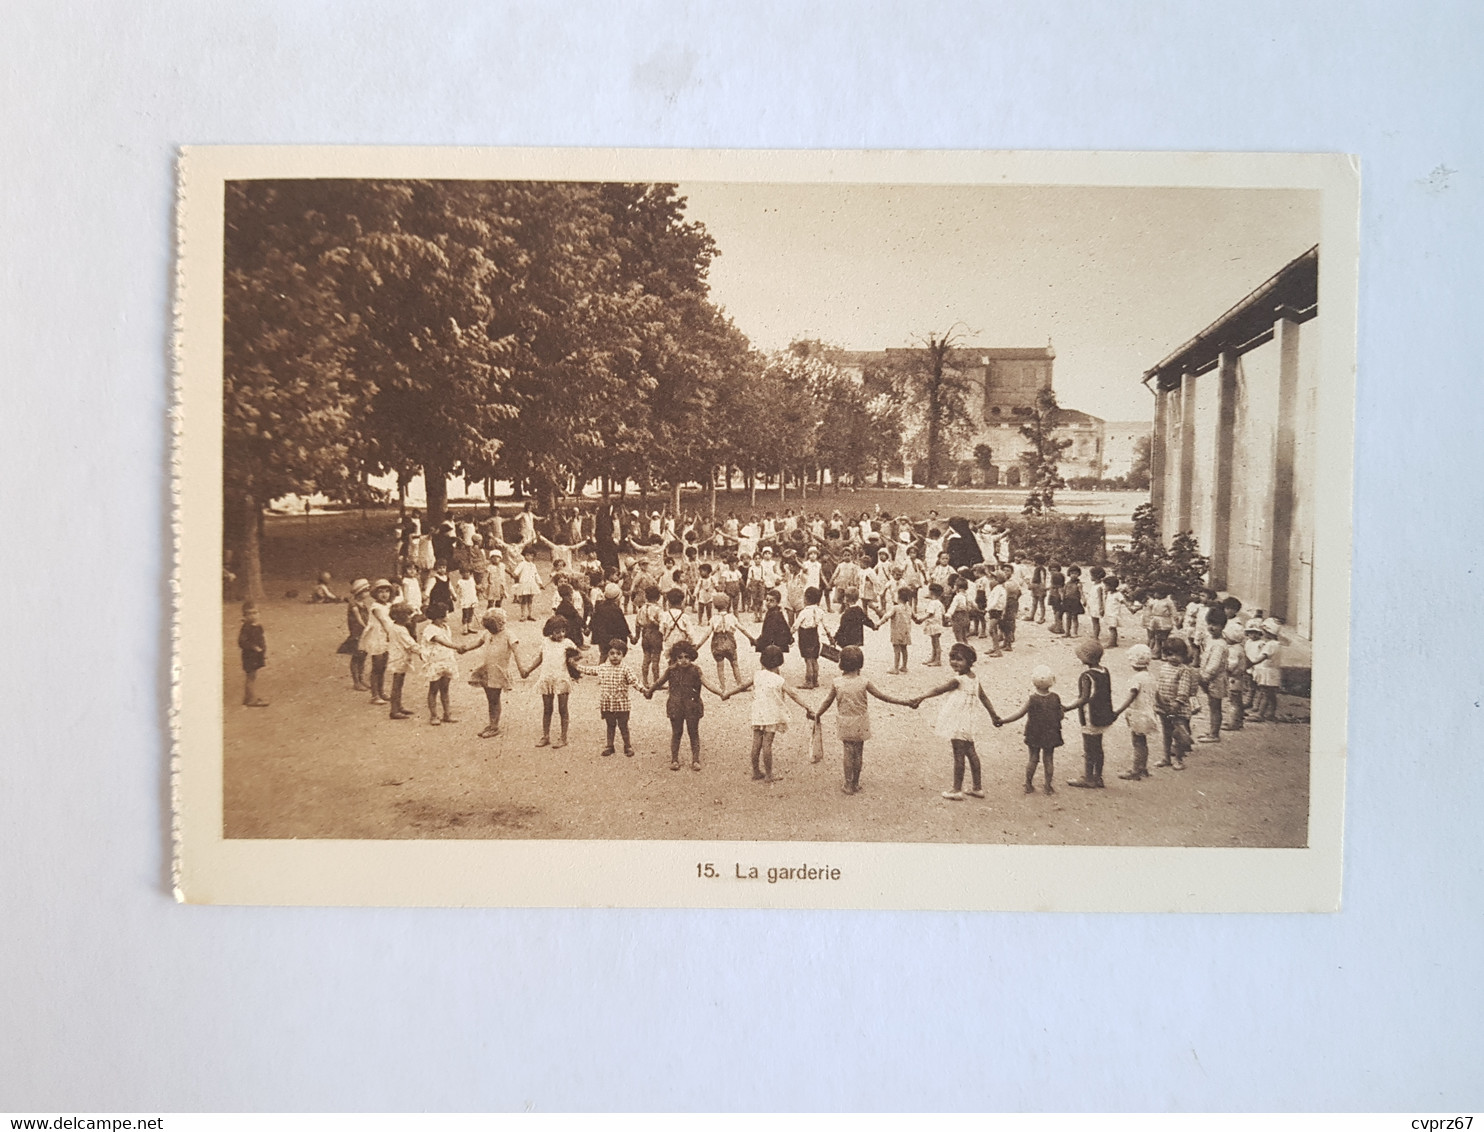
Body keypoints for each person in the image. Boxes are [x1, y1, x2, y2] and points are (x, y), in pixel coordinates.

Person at [808, 644, 916, 795]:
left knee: (848, 752)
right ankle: (856, 783)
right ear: (860, 663)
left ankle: (848, 784)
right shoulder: (864, 682)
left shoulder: (837, 682)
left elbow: (827, 702)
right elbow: (883, 697)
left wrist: (817, 714)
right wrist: (906, 702)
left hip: (845, 721)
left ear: (841, 663)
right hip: (861, 721)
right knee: (858, 753)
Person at [910, 642, 999, 801]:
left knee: (959, 753)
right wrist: (993, 715)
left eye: (959, 659)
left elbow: (939, 690)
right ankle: (977, 787)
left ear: (969, 661)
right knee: (971, 752)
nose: (954, 662)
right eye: (952, 658)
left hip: (958, 720)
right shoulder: (974, 678)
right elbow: (983, 697)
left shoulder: (958, 680)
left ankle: (956, 789)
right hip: (969, 720)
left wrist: (921, 697)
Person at [726, 645, 813, 783]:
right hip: (771, 714)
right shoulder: (779, 680)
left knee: (756, 743)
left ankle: (755, 771)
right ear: (779, 662)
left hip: (757, 713)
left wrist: (728, 694)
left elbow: (743, 686)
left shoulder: (757, 675)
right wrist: (807, 707)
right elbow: (793, 694)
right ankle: (769, 774)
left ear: (762, 661)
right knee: (767, 744)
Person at [644, 638, 724, 772]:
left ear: (691, 657)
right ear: (675, 657)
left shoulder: (696, 670)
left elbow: (707, 683)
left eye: (687, 657)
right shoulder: (671, 670)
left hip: (692, 705)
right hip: (676, 705)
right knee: (676, 733)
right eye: (680, 657)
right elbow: (659, 682)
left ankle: (695, 760)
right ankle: (674, 759)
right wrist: (649, 690)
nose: (683, 660)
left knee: (693, 732)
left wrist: (720, 692)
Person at [995, 664, 1066, 795]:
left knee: (1033, 758)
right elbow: (1061, 715)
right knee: (1048, 759)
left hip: (1034, 733)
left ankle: (1028, 784)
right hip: (1051, 733)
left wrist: (1003, 720)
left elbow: (1019, 714)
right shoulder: (1055, 697)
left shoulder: (1032, 699)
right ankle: (1048, 786)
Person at [522, 615, 582, 748]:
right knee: (547, 709)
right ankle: (546, 736)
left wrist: (573, 660)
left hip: (561, 679)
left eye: (563, 631)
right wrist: (529, 670)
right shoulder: (545, 642)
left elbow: (579, 654)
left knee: (563, 709)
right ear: (550, 631)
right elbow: (540, 658)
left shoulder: (568, 643)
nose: (560, 634)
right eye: (556, 631)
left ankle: (563, 737)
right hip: (547, 679)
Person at [577, 637, 643, 757]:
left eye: (618, 653)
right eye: (612, 653)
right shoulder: (603, 667)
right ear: (607, 654)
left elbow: (634, 681)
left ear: (623, 655)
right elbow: (589, 670)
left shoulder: (626, 669)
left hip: (622, 704)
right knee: (610, 725)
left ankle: (627, 746)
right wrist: (575, 666)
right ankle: (610, 746)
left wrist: (644, 690)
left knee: (623, 725)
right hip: (607, 703)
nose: (615, 656)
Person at [1065, 638, 1117, 788]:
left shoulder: (1086, 676)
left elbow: (1084, 698)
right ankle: (1098, 777)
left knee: (1089, 748)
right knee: (1099, 748)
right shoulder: (1104, 671)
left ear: (1087, 657)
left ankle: (1088, 778)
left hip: (1091, 716)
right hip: (1103, 714)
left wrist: (1067, 708)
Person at [418, 600, 480, 726]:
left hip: (446, 660)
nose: (448, 616)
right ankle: (434, 715)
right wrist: (458, 647)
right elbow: (442, 641)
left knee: (445, 689)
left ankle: (447, 714)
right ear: (439, 616)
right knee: (433, 689)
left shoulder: (445, 627)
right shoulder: (430, 629)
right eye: (446, 614)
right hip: (435, 663)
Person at [468, 607, 519, 738]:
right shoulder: (488, 634)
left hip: (498, 672)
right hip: (487, 670)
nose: (490, 631)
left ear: (500, 624)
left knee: (494, 699)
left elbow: (516, 651)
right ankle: (492, 723)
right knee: (490, 699)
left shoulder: (508, 634)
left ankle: (495, 726)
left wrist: (522, 668)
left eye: (492, 627)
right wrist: (465, 649)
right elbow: (477, 643)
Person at [1154, 636, 1198, 769]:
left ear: (1183, 656)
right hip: (1164, 706)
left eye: (1177, 655)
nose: (1173, 658)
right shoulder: (1163, 668)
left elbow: (1184, 689)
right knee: (1166, 733)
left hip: (1178, 707)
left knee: (1178, 734)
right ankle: (1166, 757)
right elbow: (1160, 685)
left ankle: (1179, 759)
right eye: (1170, 654)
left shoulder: (1184, 670)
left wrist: (1177, 703)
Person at [1115, 644, 1158, 780]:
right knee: (1143, 742)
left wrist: (1119, 710)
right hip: (1149, 712)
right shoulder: (1151, 676)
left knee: (1137, 742)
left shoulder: (1136, 679)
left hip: (1139, 714)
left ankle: (1135, 770)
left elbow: (1132, 695)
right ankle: (1143, 767)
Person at [358, 578, 397, 705]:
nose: (384, 594)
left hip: (386, 637)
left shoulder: (389, 605)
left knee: (383, 666)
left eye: (387, 591)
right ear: (375, 594)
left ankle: (381, 691)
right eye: (381, 592)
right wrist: (392, 633)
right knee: (377, 666)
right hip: (377, 638)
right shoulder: (376, 607)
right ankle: (374, 695)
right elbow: (383, 620)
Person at [1197, 609, 1230, 742]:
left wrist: (1205, 677)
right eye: (1209, 623)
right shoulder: (1210, 640)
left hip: (1215, 679)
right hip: (1209, 677)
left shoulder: (1219, 645)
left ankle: (1214, 734)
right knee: (1212, 705)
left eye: (1215, 625)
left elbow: (1214, 665)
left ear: (1222, 626)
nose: (1211, 627)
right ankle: (1212, 731)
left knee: (1215, 706)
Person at [384, 602, 421, 720]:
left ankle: (398, 706)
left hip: (400, 658)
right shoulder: (400, 630)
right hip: (399, 659)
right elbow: (410, 644)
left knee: (399, 683)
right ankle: (394, 710)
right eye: (407, 615)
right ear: (400, 616)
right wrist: (422, 652)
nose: (410, 617)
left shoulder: (397, 627)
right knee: (397, 684)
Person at [708, 593, 748, 692]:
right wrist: (752, 639)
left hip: (717, 643)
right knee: (734, 663)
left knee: (720, 666)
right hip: (730, 642)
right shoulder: (732, 617)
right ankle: (739, 683)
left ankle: (722, 687)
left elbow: (707, 634)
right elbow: (742, 629)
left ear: (715, 605)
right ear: (727, 604)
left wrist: (698, 645)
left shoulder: (714, 619)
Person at [339, 578, 371, 691]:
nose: (368, 592)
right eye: (366, 590)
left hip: (364, 632)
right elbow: (358, 619)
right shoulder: (354, 604)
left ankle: (361, 678)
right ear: (359, 592)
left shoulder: (363, 604)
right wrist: (367, 627)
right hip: (358, 632)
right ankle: (356, 681)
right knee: (356, 657)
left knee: (363, 656)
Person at [1251, 617, 1284, 722]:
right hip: (1273, 672)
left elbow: (1263, 657)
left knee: (1265, 693)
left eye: (1264, 631)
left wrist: (1252, 662)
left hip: (1267, 672)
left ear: (1268, 633)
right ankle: (1271, 713)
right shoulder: (1275, 644)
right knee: (1271, 694)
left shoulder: (1270, 645)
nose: (1262, 633)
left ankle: (1260, 714)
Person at [794, 586, 826, 689]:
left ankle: (809, 681)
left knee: (808, 659)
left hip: (805, 636)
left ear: (806, 599)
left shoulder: (804, 612)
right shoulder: (820, 611)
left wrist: (789, 634)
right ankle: (815, 680)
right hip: (814, 635)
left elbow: (795, 625)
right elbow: (825, 625)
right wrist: (830, 636)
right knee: (814, 659)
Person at [238, 601, 268, 707]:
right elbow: (242, 642)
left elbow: (262, 639)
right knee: (250, 676)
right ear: (245, 616)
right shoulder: (246, 627)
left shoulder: (258, 626)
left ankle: (249, 697)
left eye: (255, 613)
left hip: (257, 655)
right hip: (250, 655)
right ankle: (250, 699)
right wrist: (254, 647)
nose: (253, 616)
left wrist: (263, 651)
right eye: (249, 614)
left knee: (253, 676)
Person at [754, 588, 793, 657]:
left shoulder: (775, 614)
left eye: (771, 601)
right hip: (772, 643)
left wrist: (761, 641)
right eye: (767, 600)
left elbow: (771, 631)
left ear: (777, 602)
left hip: (773, 644)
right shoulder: (771, 612)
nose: (768, 603)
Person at [916, 582, 946, 666]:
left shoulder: (933, 603)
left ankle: (938, 660)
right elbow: (943, 614)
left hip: (933, 625)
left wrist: (921, 619)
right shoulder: (940, 603)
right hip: (937, 624)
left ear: (932, 593)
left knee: (936, 643)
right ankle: (933, 657)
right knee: (934, 642)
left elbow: (930, 614)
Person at [887, 585, 916, 674]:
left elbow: (887, 616)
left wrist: (878, 623)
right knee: (904, 648)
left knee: (896, 649)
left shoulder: (895, 608)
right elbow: (915, 618)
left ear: (898, 597)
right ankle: (904, 666)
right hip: (906, 631)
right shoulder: (909, 608)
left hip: (896, 631)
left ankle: (895, 668)